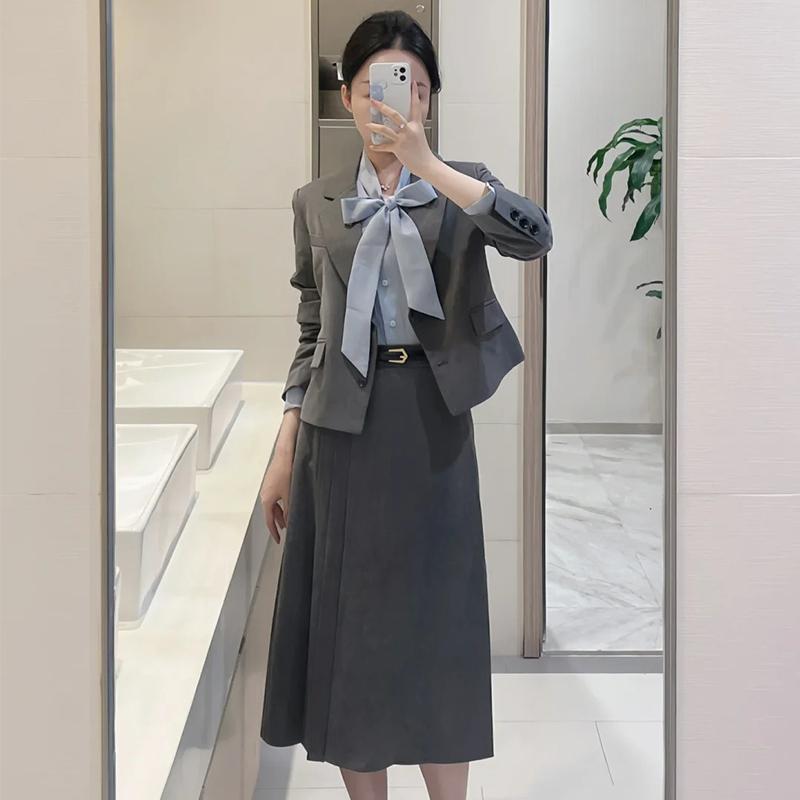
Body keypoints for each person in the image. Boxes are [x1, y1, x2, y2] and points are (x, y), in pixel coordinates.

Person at [258, 10, 552, 800]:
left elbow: (535, 237)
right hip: (339, 434)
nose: (396, 101)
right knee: (355, 634)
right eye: (379, 85)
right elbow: (313, 330)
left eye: (415, 88)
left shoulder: (462, 185)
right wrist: (284, 450)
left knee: (438, 627)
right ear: (349, 95)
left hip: (432, 424)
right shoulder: (315, 201)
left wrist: (430, 165)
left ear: (428, 101)